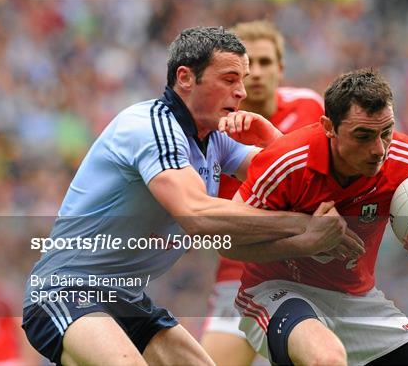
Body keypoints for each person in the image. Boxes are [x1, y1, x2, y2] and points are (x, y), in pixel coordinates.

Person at [21, 26, 361, 366]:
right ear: (185, 78)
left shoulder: (214, 137)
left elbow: (290, 185)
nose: (241, 92)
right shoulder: (152, 128)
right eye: (229, 79)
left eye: (241, 80)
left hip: (124, 298)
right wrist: (303, 227)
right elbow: (198, 215)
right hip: (65, 292)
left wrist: (274, 141)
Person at [224, 68, 408, 365]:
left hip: (357, 301)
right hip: (277, 292)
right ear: (329, 127)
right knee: (326, 359)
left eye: (385, 132)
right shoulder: (287, 160)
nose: (379, 149)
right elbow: (226, 240)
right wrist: (304, 241)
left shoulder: (403, 157)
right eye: (362, 135)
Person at [200, 20, 324, 366]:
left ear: (281, 69)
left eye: (265, 63)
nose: (256, 74)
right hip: (241, 275)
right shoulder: (214, 129)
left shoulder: (310, 108)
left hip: (309, 273)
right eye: (246, 66)